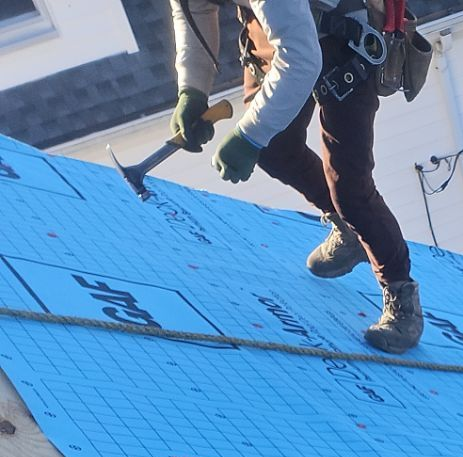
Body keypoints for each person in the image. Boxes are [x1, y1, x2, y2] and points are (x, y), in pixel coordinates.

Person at [167, 0, 423, 354]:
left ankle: (402, 298)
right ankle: (349, 232)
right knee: (273, 148)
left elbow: (302, 60)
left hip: (345, 40)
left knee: (350, 188)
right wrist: (192, 90)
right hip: (277, 32)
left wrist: (248, 136)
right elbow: (193, 9)